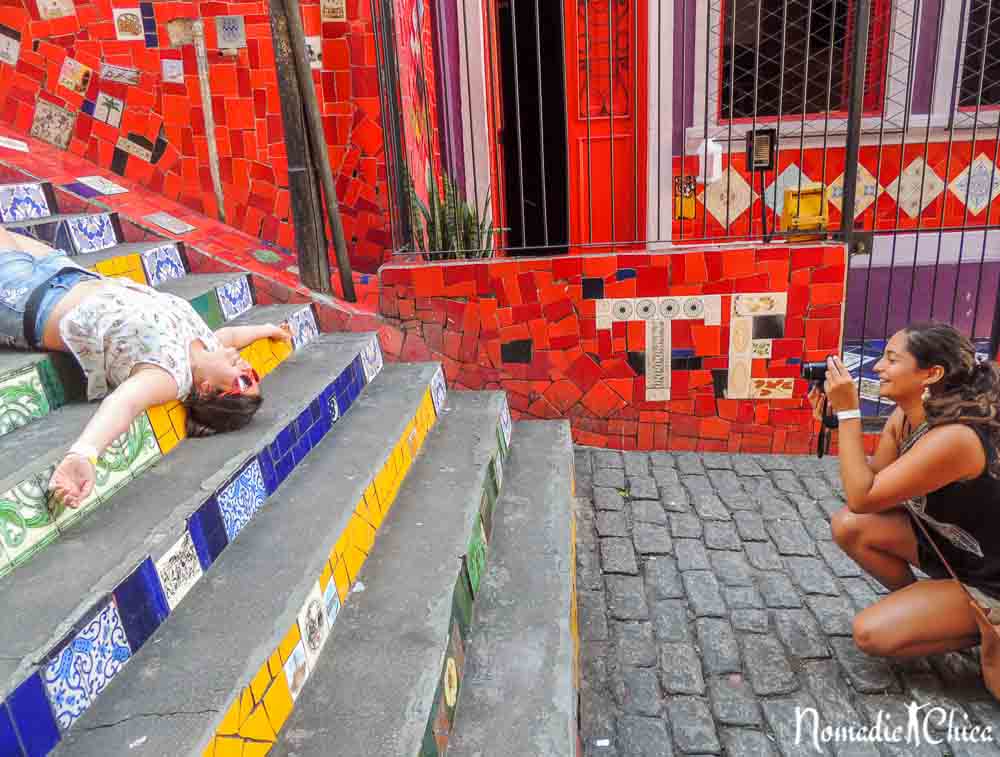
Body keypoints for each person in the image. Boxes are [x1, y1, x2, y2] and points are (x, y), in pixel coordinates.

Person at [0, 228, 290, 511]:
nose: (248, 368)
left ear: (205, 391)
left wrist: (85, 454)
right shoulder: (207, 344)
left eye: (243, 380)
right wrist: (268, 328)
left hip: (26, 298)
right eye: (254, 376)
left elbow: (125, 403)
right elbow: (232, 336)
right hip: (65, 273)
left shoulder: (167, 376)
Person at [810, 322, 1000, 660]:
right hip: (953, 553)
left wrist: (851, 413)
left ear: (930, 374)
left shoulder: (955, 438)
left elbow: (862, 495)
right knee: (849, 525)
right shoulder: (906, 416)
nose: (877, 367)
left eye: (891, 359)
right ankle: (935, 612)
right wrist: (837, 420)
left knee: (871, 634)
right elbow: (872, 490)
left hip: (990, 579)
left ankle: (969, 620)